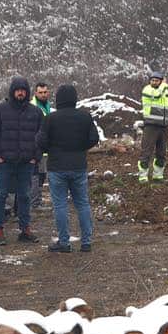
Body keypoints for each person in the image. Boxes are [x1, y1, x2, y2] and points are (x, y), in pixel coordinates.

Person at [35, 84, 99, 253]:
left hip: (57, 166)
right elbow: (94, 138)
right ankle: (86, 242)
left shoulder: (50, 118)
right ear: (75, 99)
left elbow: (40, 141)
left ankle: (64, 243)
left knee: (60, 205)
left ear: (59, 99)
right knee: (82, 204)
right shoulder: (85, 117)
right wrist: (81, 148)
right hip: (79, 165)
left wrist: (51, 149)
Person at [0, 75, 43, 245]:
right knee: (1, 195)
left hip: (26, 163)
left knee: (25, 196)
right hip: (5, 162)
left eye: (23, 90)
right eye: (18, 90)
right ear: (12, 91)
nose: (21, 93)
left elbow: (42, 136)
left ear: (27, 92)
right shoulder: (0, 110)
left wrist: (36, 157)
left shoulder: (36, 112)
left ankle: (25, 230)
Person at [7, 81, 51, 220]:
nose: (43, 95)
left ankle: (33, 202)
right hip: (32, 150)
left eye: (45, 92)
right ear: (35, 93)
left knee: (40, 177)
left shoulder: (47, 107)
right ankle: (31, 204)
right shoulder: (32, 107)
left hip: (43, 150)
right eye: (40, 92)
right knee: (32, 178)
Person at [138, 66, 168, 182]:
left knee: (161, 153)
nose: (154, 82)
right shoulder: (147, 90)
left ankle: (158, 176)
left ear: (160, 81)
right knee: (146, 152)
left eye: (157, 80)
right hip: (151, 126)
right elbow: (156, 95)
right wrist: (164, 85)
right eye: (152, 80)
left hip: (164, 127)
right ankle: (143, 176)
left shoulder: (167, 95)